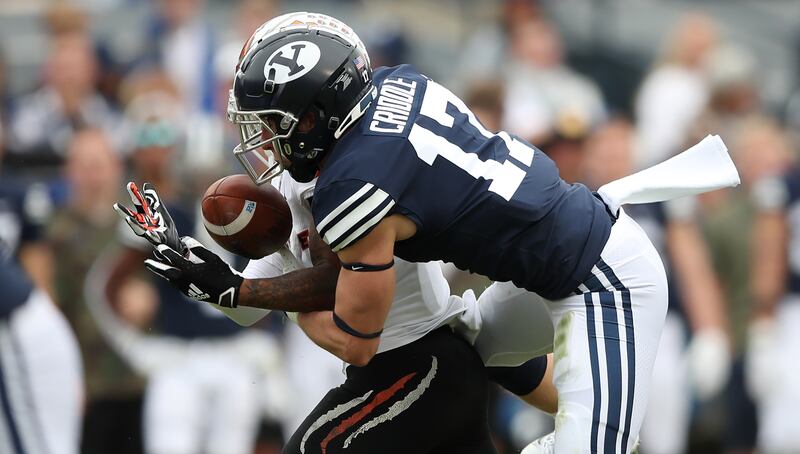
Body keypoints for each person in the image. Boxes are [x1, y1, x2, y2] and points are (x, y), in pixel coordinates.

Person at [138, 12, 736, 453]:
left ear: (315, 117)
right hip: (544, 263)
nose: (261, 139)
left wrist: (240, 292)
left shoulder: (357, 181)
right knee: (481, 346)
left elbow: (356, 337)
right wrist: (219, 279)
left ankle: (605, 410)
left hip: (603, 279)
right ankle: (598, 403)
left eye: (273, 122)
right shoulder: (394, 89)